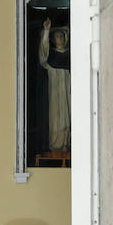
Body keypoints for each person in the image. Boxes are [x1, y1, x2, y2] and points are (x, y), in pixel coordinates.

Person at [38, 18, 71, 153]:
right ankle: (56, 145)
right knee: (56, 119)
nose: (60, 38)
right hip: (55, 90)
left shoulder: (71, 55)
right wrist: (46, 31)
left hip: (68, 90)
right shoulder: (50, 56)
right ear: (53, 39)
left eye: (62, 36)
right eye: (57, 36)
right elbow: (43, 51)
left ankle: (67, 144)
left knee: (68, 117)